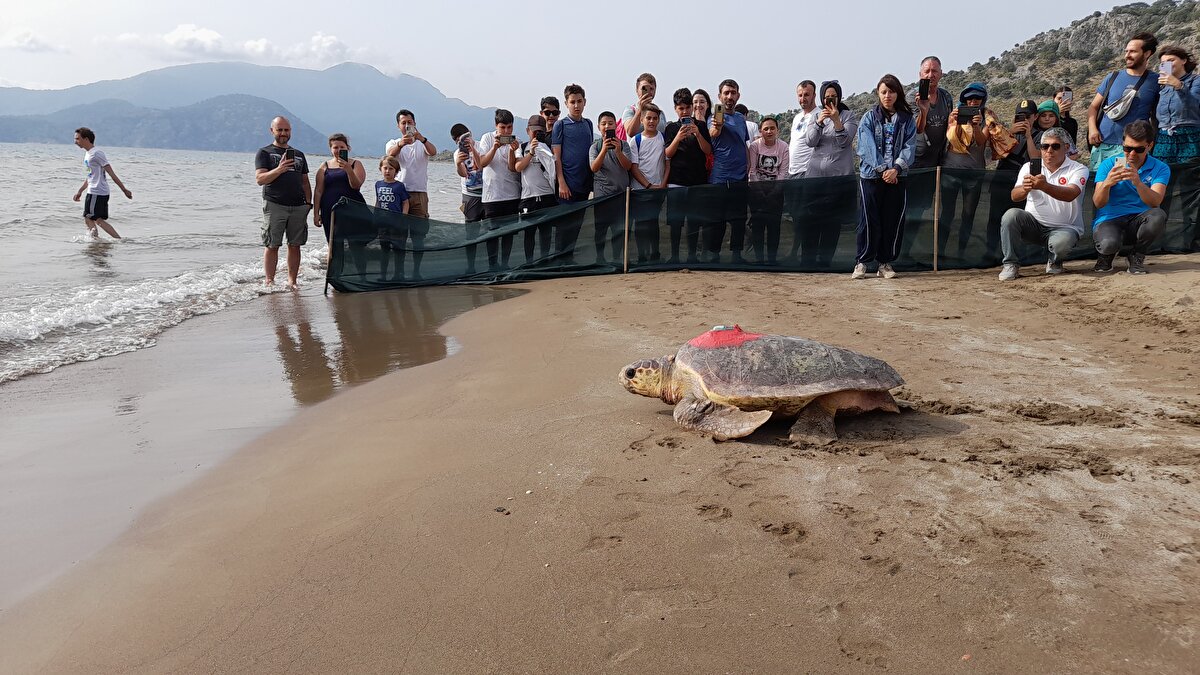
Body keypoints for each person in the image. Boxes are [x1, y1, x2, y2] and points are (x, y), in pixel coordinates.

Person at [997, 127, 1089, 281]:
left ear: (1066, 148)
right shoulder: (1028, 167)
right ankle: (1010, 264)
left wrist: (1044, 186)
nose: (1049, 151)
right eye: (1044, 146)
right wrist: (1025, 189)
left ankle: (1055, 261)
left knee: (1062, 244)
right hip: (1034, 225)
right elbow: (1015, 196)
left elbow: (1071, 194)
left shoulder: (1079, 169)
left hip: (1065, 228)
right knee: (1011, 215)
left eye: (1055, 146)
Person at [854, 74, 917, 280]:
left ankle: (885, 262)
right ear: (878, 94)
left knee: (892, 220)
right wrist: (882, 169)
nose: (887, 96)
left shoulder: (907, 120)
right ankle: (862, 262)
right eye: (883, 92)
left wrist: (896, 169)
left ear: (897, 93)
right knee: (869, 220)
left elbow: (910, 147)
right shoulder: (869, 117)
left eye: (891, 91)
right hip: (872, 176)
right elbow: (865, 146)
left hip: (897, 177)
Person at [1092, 120, 1170, 274]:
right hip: (1110, 219)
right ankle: (1106, 255)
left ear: (1150, 146)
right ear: (1122, 144)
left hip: (1140, 220)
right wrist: (1107, 183)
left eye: (1138, 149)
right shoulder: (1108, 165)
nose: (1132, 154)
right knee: (1108, 244)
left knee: (1158, 215)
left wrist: (1138, 183)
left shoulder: (1160, 167)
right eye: (1127, 148)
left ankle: (1137, 255)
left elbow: (1155, 202)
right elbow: (1098, 203)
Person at [800, 80, 858, 268]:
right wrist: (819, 122)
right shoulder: (816, 115)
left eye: (833, 96)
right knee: (811, 221)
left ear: (839, 97)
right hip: (815, 179)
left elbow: (844, 141)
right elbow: (810, 141)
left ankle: (825, 261)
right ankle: (807, 261)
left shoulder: (849, 116)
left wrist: (836, 121)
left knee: (831, 224)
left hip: (838, 180)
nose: (830, 99)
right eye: (827, 96)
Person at [1087, 32, 1161, 171]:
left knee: (1120, 186)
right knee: (1098, 186)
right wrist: (1092, 129)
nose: (1127, 55)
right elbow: (1093, 107)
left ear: (1147, 53)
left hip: (1130, 149)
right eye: (1126, 51)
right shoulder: (1113, 77)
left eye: (1133, 51)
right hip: (1103, 145)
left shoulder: (1155, 81)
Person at [939, 82, 995, 261]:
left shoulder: (988, 118)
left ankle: (960, 254)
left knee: (968, 214)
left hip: (974, 173)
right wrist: (952, 122)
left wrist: (977, 126)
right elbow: (948, 138)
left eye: (977, 98)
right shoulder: (955, 116)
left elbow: (981, 142)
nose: (972, 102)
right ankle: (939, 253)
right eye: (969, 99)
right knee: (947, 212)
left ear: (983, 100)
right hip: (951, 171)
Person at [1152, 45, 1200, 251]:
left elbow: (1196, 105)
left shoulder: (1195, 81)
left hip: (1189, 135)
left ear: (1183, 60)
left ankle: (1191, 240)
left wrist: (1179, 86)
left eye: (1171, 60)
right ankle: (1159, 239)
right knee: (1162, 185)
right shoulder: (1162, 86)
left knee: (1191, 187)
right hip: (1164, 138)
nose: (1167, 64)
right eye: (1164, 61)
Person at [254, 116, 311, 288]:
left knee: (295, 245)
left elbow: (305, 181)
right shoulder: (264, 153)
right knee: (272, 244)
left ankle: (292, 281)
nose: (283, 133)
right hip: (275, 204)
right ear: (272, 131)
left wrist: (308, 203)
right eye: (280, 130)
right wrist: (279, 169)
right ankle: (270, 280)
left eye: (286, 130)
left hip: (298, 206)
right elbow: (260, 179)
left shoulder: (299, 155)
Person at [662, 87, 712, 263]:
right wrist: (678, 137)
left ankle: (692, 256)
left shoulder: (701, 126)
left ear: (692, 107)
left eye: (687, 107)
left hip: (698, 181)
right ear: (675, 109)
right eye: (680, 108)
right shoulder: (671, 128)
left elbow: (708, 150)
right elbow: (667, 153)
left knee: (694, 221)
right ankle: (674, 256)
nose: (684, 111)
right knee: (676, 222)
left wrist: (697, 133)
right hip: (677, 181)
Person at [705, 79, 750, 263]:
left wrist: (749, 166)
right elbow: (712, 133)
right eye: (726, 93)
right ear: (720, 96)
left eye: (733, 93)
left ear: (738, 95)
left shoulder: (741, 119)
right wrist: (717, 126)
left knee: (739, 219)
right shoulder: (714, 117)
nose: (729, 96)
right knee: (718, 220)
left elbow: (744, 143)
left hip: (740, 177)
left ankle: (737, 255)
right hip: (720, 177)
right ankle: (714, 256)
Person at [551, 83, 594, 262]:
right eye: (572, 102)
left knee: (577, 225)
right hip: (566, 185)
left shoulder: (589, 124)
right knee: (563, 226)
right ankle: (558, 261)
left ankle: (570, 259)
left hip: (583, 184)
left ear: (585, 102)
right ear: (566, 103)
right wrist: (561, 182)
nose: (576, 105)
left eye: (579, 101)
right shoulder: (560, 125)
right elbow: (557, 158)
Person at [477, 109, 521, 271]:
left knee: (508, 234)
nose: (506, 131)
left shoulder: (515, 142)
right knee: (492, 234)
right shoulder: (487, 138)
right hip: (491, 196)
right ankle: (492, 266)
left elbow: (512, 167)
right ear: (496, 126)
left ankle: (505, 264)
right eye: (503, 127)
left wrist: (511, 150)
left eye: (509, 127)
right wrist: (495, 147)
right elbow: (481, 163)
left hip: (511, 194)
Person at [72, 127, 132, 240]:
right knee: (95, 219)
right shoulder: (88, 154)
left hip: (97, 191)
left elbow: (111, 172)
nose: (75, 142)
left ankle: (97, 241)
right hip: (94, 190)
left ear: (86, 139)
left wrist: (124, 190)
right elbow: (90, 176)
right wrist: (80, 191)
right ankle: (107, 241)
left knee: (91, 218)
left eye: (77, 139)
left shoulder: (97, 153)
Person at [588, 111, 633, 264]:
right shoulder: (595, 147)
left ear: (616, 125)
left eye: (610, 123)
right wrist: (604, 150)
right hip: (602, 196)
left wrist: (618, 150)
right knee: (600, 229)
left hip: (621, 195)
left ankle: (616, 258)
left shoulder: (624, 144)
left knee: (618, 230)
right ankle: (599, 258)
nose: (607, 126)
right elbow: (594, 168)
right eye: (604, 124)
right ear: (599, 127)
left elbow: (628, 166)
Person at [512, 114, 557, 263]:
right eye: (534, 131)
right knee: (528, 234)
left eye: (540, 131)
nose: (536, 134)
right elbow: (518, 167)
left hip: (547, 196)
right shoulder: (522, 147)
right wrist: (531, 152)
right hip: (528, 198)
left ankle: (545, 262)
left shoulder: (548, 147)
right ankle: (529, 262)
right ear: (527, 131)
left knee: (546, 233)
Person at [628, 104, 669, 262]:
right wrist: (648, 186)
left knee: (653, 222)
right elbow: (634, 167)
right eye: (648, 118)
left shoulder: (663, 138)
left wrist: (662, 185)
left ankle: (655, 253)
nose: (652, 121)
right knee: (641, 224)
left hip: (658, 190)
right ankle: (642, 255)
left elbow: (667, 164)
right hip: (640, 190)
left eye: (655, 118)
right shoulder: (635, 141)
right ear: (642, 119)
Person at [784, 80, 819, 261]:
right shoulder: (797, 117)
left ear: (814, 95)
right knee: (796, 217)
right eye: (800, 95)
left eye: (807, 94)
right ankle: (794, 253)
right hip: (792, 174)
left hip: (808, 173)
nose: (803, 98)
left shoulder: (819, 114)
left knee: (807, 218)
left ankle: (808, 256)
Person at [747, 116, 789, 264]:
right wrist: (760, 191)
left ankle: (772, 260)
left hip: (776, 193)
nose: (769, 131)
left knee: (774, 227)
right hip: (756, 191)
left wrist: (774, 191)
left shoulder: (783, 146)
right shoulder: (754, 146)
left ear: (777, 130)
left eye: (772, 128)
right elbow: (752, 170)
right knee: (758, 227)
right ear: (760, 131)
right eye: (766, 129)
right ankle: (759, 260)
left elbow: (783, 172)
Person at [313, 133, 366, 243]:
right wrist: (316, 214)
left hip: (352, 209)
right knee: (333, 243)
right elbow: (318, 191)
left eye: (342, 147)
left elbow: (356, 186)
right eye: (335, 147)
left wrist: (348, 170)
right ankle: (332, 260)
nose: (338, 150)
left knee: (355, 243)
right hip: (330, 210)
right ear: (331, 149)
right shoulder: (324, 166)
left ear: (348, 148)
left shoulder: (356, 164)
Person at [385, 110, 437, 218]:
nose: (407, 125)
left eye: (410, 122)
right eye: (403, 123)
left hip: (419, 192)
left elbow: (433, 152)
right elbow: (390, 155)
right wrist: (401, 144)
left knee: (419, 230)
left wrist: (422, 139)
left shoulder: (422, 143)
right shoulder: (393, 143)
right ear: (398, 126)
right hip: (399, 190)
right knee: (398, 226)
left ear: (415, 124)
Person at [452, 123, 485, 274]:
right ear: (456, 142)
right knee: (470, 232)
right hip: (469, 195)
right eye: (461, 140)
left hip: (486, 193)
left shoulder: (480, 145)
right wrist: (459, 163)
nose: (465, 142)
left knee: (490, 229)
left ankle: (488, 262)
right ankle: (470, 265)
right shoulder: (457, 153)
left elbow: (482, 165)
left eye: (467, 137)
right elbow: (462, 173)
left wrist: (474, 149)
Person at [374, 155, 411, 281]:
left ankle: (398, 275)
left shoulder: (399, 186)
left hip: (397, 224)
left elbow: (405, 202)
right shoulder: (378, 184)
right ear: (380, 169)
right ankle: (383, 275)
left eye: (391, 169)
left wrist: (403, 217)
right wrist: (375, 215)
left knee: (398, 250)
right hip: (383, 223)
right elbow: (378, 201)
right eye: (385, 168)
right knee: (384, 250)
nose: (387, 171)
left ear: (396, 171)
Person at [619, 73, 656, 141]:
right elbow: (630, 132)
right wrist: (640, 109)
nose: (648, 92)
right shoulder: (630, 110)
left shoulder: (660, 113)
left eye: (651, 89)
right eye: (644, 88)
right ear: (637, 90)